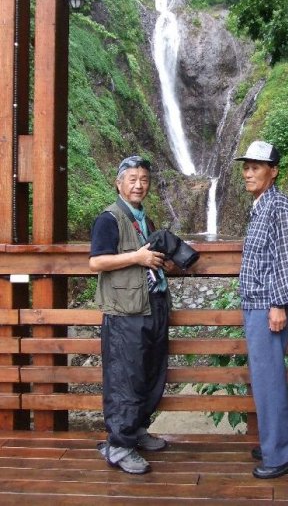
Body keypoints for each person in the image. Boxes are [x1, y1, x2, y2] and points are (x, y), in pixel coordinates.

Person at [89, 155, 171, 475]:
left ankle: (136, 431)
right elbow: (96, 262)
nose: (139, 185)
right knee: (125, 378)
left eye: (144, 180)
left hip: (153, 305)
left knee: (150, 373)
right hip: (126, 312)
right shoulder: (109, 219)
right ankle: (119, 446)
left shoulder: (143, 218)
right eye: (132, 179)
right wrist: (137, 257)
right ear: (119, 183)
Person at [234, 140, 288, 479]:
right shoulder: (262, 206)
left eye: (256, 167)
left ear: (273, 172)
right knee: (264, 379)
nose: (248, 173)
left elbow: (286, 259)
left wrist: (278, 305)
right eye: (246, 167)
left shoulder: (279, 206)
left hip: (267, 307)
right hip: (255, 305)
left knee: (269, 380)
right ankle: (276, 443)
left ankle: (282, 456)